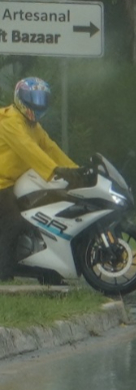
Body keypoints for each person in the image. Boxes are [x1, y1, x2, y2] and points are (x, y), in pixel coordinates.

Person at [0, 77, 80, 281]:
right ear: (21, 99)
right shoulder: (10, 121)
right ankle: (3, 272)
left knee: (37, 218)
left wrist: (76, 171)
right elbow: (29, 149)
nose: (38, 103)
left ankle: (46, 270)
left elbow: (50, 147)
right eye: (33, 98)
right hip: (2, 184)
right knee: (14, 222)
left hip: (12, 183)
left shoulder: (33, 126)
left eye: (41, 99)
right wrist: (54, 170)